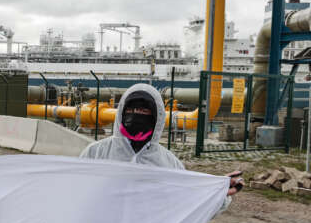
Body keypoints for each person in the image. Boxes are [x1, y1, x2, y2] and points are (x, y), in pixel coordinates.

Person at [80, 83, 242, 198]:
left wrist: (216, 192)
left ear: (156, 118)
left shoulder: (169, 163)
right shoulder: (95, 152)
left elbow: (188, 199)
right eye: (131, 109)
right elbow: (74, 191)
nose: (136, 114)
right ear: (122, 112)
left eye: (144, 110)